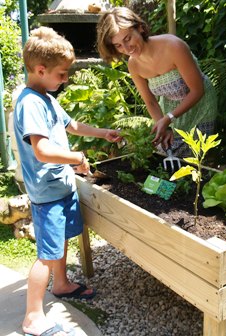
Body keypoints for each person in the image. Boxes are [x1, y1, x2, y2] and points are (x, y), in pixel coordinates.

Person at [13, 26, 121, 336]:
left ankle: (60, 285)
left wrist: (102, 133)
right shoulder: (30, 103)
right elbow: (43, 150)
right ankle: (32, 316)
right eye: (62, 74)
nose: (66, 79)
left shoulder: (45, 97)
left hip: (60, 186)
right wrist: (76, 158)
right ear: (40, 69)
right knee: (46, 256)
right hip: (47, 192)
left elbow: (71, 125)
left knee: (59, 241)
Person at [96, 6, 217, 157]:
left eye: (128, 38)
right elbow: (151, 102)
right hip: (169, 111)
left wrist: (169, 118)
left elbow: (197, 90)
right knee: (166, 151)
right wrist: (164, 125)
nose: (127, 48)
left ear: (140, 28)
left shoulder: (174, 47)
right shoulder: (134, 65)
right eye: (118, 45)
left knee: (196, 157)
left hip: (200, 104)